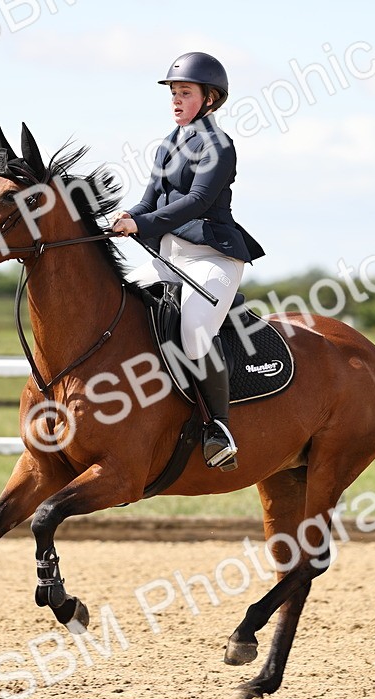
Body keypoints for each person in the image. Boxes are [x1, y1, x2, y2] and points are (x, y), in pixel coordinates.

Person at [111, 52, 265, 472]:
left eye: (185, 93)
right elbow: (149, 199)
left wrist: (141, 224)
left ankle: (219, 429)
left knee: (196, 333)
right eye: (174, 94)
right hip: (169, 258)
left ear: (210, 98)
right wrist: (127, 216)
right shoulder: (169, 143)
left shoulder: (219, 146)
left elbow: (196, 201)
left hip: (212, 258)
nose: (176, 100)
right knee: (118, 305)